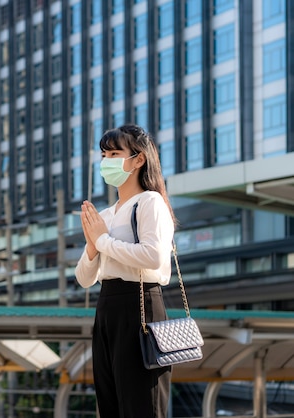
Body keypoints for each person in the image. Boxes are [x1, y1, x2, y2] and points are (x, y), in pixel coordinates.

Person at [75, 124, 175, 418]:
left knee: (141, 404)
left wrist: (103, 240)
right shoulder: (105, 214)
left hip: (141, 303)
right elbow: (83, 278)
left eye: (115, 153)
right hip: (107, 307)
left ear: (138, 159)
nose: (107, 161)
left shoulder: (150, 202)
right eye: (104, 154)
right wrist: (93, 246)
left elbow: (153, 256)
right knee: (110, 404)